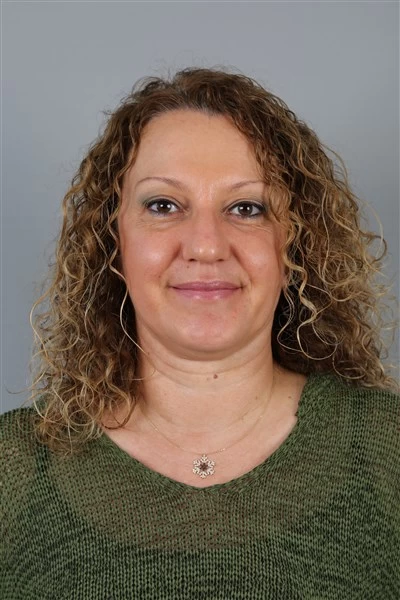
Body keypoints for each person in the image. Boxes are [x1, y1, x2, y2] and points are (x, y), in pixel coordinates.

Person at [1, 66, 399, 599]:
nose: (206, 245)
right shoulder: (12, 470)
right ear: (113, 240)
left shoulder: (388, 450)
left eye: (246, 208)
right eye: (163, 206)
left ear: (294, 243)